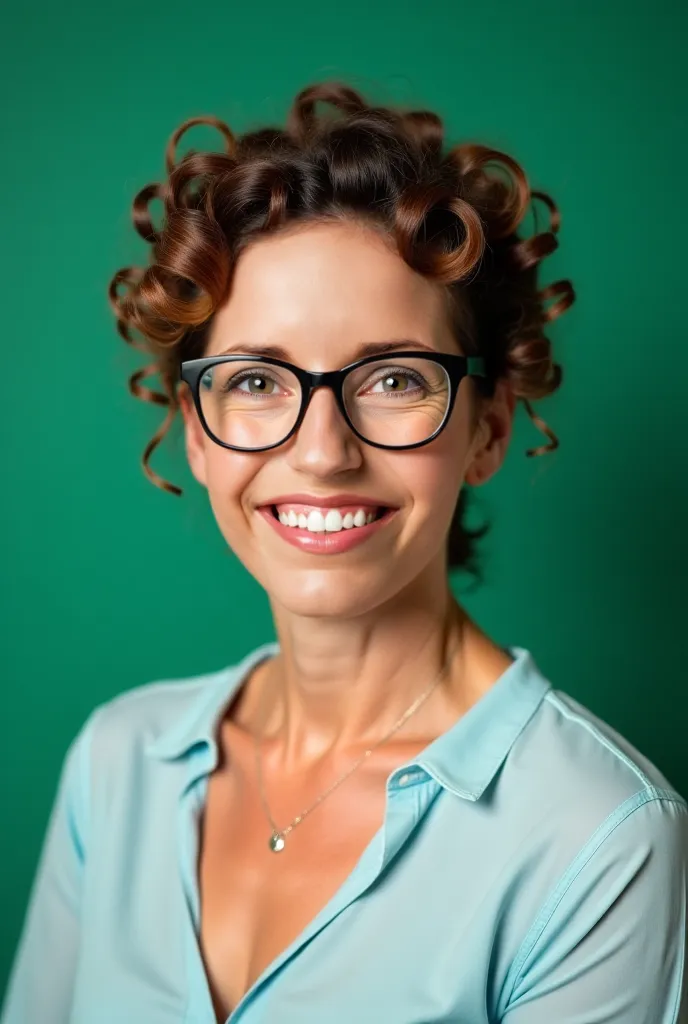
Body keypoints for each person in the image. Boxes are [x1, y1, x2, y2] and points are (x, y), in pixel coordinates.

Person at [2, 79, 686, 1024]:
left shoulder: (600, 835)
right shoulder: (117, 762)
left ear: (488, 429)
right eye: (254, 380)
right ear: (197, 434)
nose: (322, 452)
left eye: (396, 377)